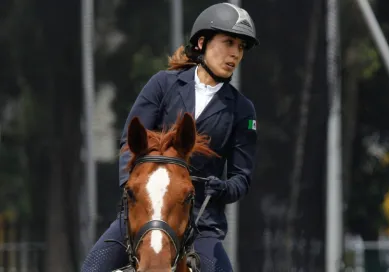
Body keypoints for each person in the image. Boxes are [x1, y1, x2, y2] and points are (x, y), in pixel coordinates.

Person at [81, 2, 259, 272]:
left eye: (241, 47)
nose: (235, 53)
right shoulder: (163, 84)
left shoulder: (242, 110)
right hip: (146, 209)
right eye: (229, 42)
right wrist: (135, 189)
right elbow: (130, 143)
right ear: (202, 42)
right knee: (91, 268)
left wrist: (222, 188)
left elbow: (241, 178)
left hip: (201, 220)